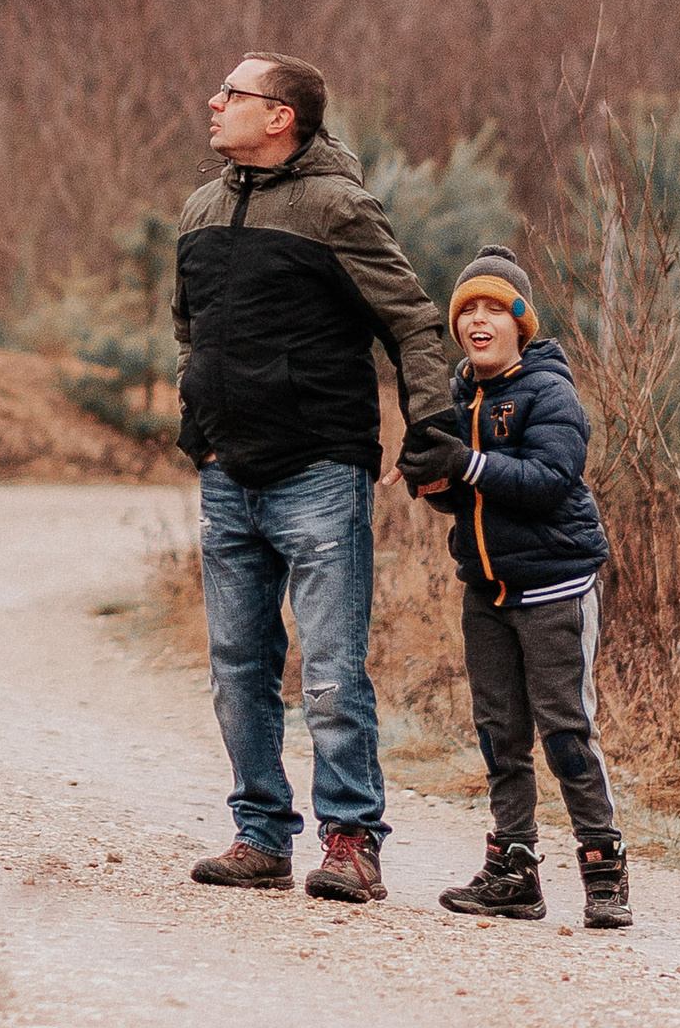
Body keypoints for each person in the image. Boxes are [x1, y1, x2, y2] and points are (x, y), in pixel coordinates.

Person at [175, 53, 465, 901]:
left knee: (333, 671)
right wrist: (200, 427)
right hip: (229, 474)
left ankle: (350, 842)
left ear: (281, 117)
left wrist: (431, 431)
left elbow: (411, 320)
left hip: (319, 472)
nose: (214, 101)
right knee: (236, 669)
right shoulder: (199, 209)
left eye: (232, 93)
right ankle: (260, 835)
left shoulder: (336, 206)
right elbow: (189, 330)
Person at [406, 246, 631, 930]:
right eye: (466, 310)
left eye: (493, 309)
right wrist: (435, 482)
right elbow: (469, 498)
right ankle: (513, 871)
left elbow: (546, 483)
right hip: (487, 591)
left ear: (521, 323)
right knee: (501, 736)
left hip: (556, 588)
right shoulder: (459, 394)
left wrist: (467, 464)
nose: (477, 321)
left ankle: (604, 868)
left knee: (566, 732)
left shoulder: (549, 392)